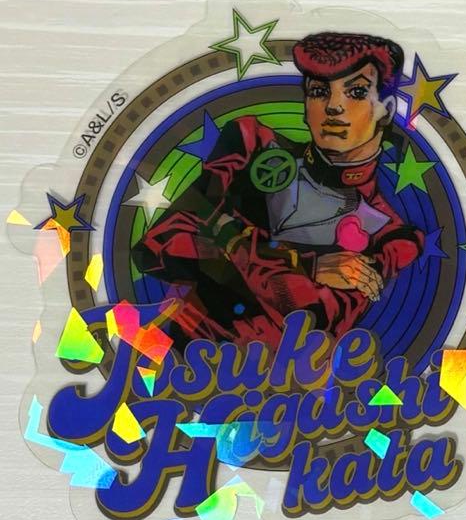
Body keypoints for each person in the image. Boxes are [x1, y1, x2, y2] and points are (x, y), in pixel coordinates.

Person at [134, 32, 423, 348]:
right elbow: (159, 247)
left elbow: (307, 312)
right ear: (305, 105)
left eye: (356, 91)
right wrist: (305, 265)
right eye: (319, 91)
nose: (333, 106)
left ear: (386, 110)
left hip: (265, 373)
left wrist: (225, 233)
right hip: (175, 353)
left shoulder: (394, 236)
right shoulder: (251, 143)